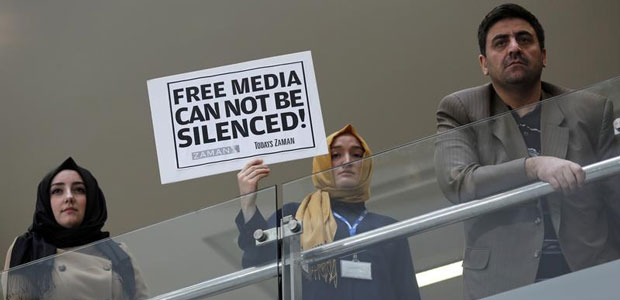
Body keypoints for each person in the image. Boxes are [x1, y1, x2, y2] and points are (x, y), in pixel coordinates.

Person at [434, 3, 620, 299]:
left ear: (543, 56)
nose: (514, 48)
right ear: (484, 63)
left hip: (591, 272)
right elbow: (458, 182)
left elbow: (615, 197)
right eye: (500, 42)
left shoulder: (590, 109)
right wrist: (533, 167)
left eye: (524, 39)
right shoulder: (461, 110)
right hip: (505, 282)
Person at [235, 124, 421, 300]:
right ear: (322, 162)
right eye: (336, 155)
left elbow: (407, 294)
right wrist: (248, 204)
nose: (347, 161)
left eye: (356, 155)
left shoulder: (388, 228)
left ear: (366, 165)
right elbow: (256, 259)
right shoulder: (295, 216)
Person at [3, 157, 149, 300]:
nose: (69, 197)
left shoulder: (119, 252)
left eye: (79, 189)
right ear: (46, 202)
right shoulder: (26, 250)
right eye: (57, 191)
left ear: (91, 199)